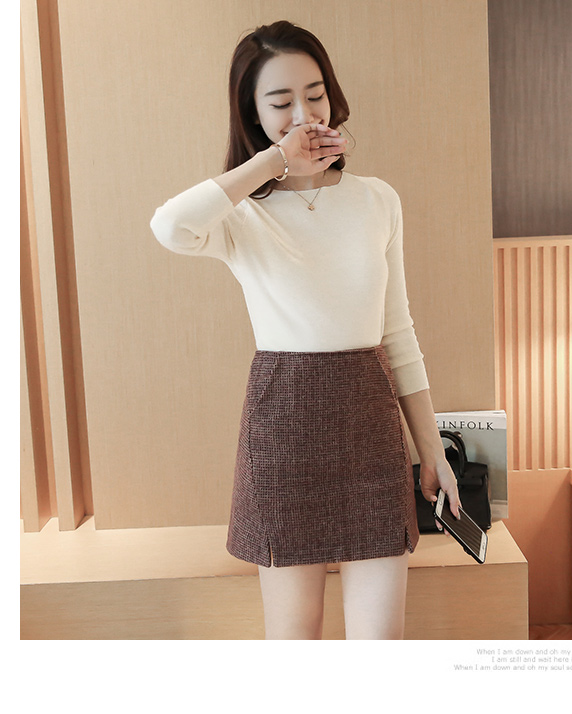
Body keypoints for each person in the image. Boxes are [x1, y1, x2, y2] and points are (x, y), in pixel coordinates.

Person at [150, 20, 460, 640]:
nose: (303, 114)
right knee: (295, 642)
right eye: (281, 101)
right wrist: (273, 162)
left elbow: (398, 334)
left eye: (314, 94)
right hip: (282, 431)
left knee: (380, 645)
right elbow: (169, 226)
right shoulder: (241, 215)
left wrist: (431, 450)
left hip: (370, 428)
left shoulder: (376, 200)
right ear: (253, 112)